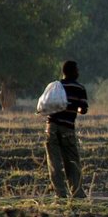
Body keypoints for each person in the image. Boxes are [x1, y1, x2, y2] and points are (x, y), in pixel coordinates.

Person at [45, 60, 89, 198]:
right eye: (77, 70)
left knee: (54, 162)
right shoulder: (79, 88)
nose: (78, 72)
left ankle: (60, 194)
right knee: (72, 161)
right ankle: (77, 192)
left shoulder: (55, 86)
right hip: (67, 128)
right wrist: (75, 107)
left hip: (50, 127)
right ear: (73, 72)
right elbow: (84, 109)